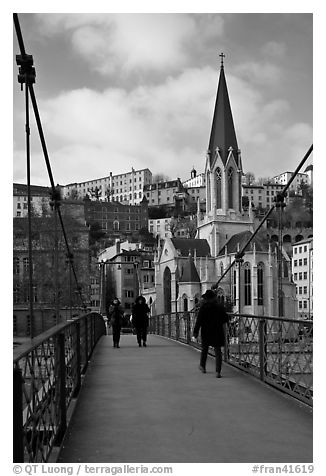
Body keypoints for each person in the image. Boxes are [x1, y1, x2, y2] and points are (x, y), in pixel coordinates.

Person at [193, 289, 229, 378]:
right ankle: (218, 371)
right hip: (217, 331)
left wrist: (195, 332)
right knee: (218, 351)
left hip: (206, 331)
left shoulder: (203, 307)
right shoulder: (220, 307)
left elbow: (199, 321)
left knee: (204, 349)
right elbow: (225, 319)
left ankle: (202, 366)